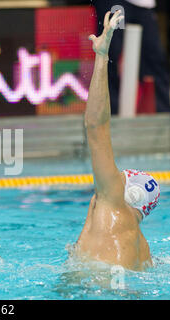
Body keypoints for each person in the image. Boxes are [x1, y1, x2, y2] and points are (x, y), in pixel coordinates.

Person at [74, 10, 160, 271]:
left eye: (117, 177)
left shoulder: (113, 200)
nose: (108, 176)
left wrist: (101, 55)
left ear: (128, 193)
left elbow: (96, 127)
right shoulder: (143, 252)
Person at [92, 0, 170, 114]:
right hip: (115, 2)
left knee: (154, 57)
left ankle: (163, 113)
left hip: (144, 4)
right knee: (110, 56)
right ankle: (109, 113)